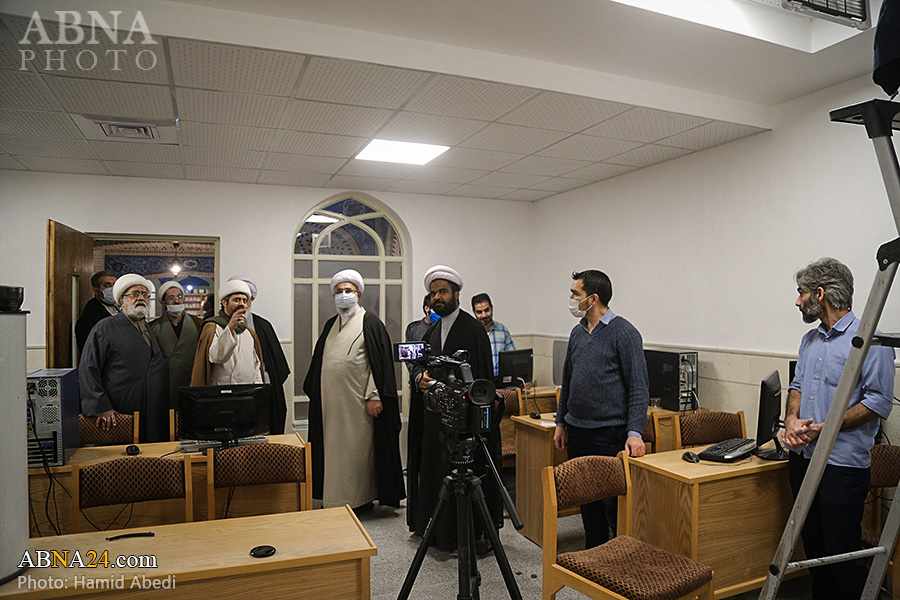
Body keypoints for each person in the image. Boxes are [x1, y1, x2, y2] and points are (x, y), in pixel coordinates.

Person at [783, 258, 894, 600]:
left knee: (842, 555)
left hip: (841, 466)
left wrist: (825, 428)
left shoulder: (871, 341)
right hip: (803, 459)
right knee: (814, 549)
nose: (798, 301)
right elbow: (797, 386)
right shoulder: (809, 340)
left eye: (801, 293)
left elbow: (878, 403)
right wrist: (791, 419)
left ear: (820, 294)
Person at [407, 265, 500, 552]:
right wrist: (420, 378)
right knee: (436, 473)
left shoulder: (473, 330)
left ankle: (466, 536)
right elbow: (420, 368)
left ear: (456, 294)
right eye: (434, 293)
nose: (437, 297)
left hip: (465, 424)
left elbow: (482, 381)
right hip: (437, 421)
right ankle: (439, 534)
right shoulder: (431, 331)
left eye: (443, 292)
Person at [553, 269, 648, 549]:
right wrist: (561, 423)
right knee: (587, 501)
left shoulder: (624, 333)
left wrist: (635, 432)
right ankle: (593, 552)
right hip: (578, 431)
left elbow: (639, 387)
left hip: (609, 433)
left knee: (612, 505)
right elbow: (568, 381)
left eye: (576, 293)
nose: (571, 299)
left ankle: (617, 556)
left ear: (593, 299)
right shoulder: (577, 332)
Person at [303, 269, 405, 510]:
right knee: (333, 453)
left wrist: (374, 395)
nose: (343, 295)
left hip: (358, 404)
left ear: (358, 294)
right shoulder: (331, 325)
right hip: (331, 406)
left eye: (348, 291)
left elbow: (379, 364)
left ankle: (359, 500)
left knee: (357, 453)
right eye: (339, 291)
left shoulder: (370, 323)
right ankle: (334, 498)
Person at [79, 273, 169, 442]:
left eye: (145, 294)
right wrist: (101, 406)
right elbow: (89, 369)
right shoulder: (105, 328)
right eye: (135, 294)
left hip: (153, 408)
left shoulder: (148, 329)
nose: (141, 298)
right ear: (121, 300)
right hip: (121, 409)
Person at [228, 276, 292, 434]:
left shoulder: (263, 326)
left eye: (246, 299)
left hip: (260, 393)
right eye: (237, 299)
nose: (242, 304)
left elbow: (279, 368)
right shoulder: (216, 325)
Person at [190, 279, 264, 386]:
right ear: (224, 302)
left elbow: (256, 366)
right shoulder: (212, 327)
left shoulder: (249, 333)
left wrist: (258, 388)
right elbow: (217, 357)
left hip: (247, 392)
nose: (242, 304)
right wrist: (230, 327)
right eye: (237, 300)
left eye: (244, 300)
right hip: (221, 391)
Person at [149, 281, 204, 409]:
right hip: (165, 381)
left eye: (179, 297)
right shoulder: (153, 327)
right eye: (171, 298)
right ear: (163, 303)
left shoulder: (198, 324)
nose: (177, 301)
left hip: (191, 379)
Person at [471, 292, 516, 378]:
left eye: (486, 310)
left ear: (492, 308)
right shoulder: (470, 332)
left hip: (499, 379)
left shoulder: (502, 330)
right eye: (479, 312)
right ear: (474, 312)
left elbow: (513, 357)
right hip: (479, 381)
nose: (484, 315)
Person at [74, 270, 118, 355]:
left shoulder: (119, 308)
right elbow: (90, 350)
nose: (112, 289)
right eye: (107, 285)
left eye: (114, 285)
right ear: (96, 291)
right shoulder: (90, 317)